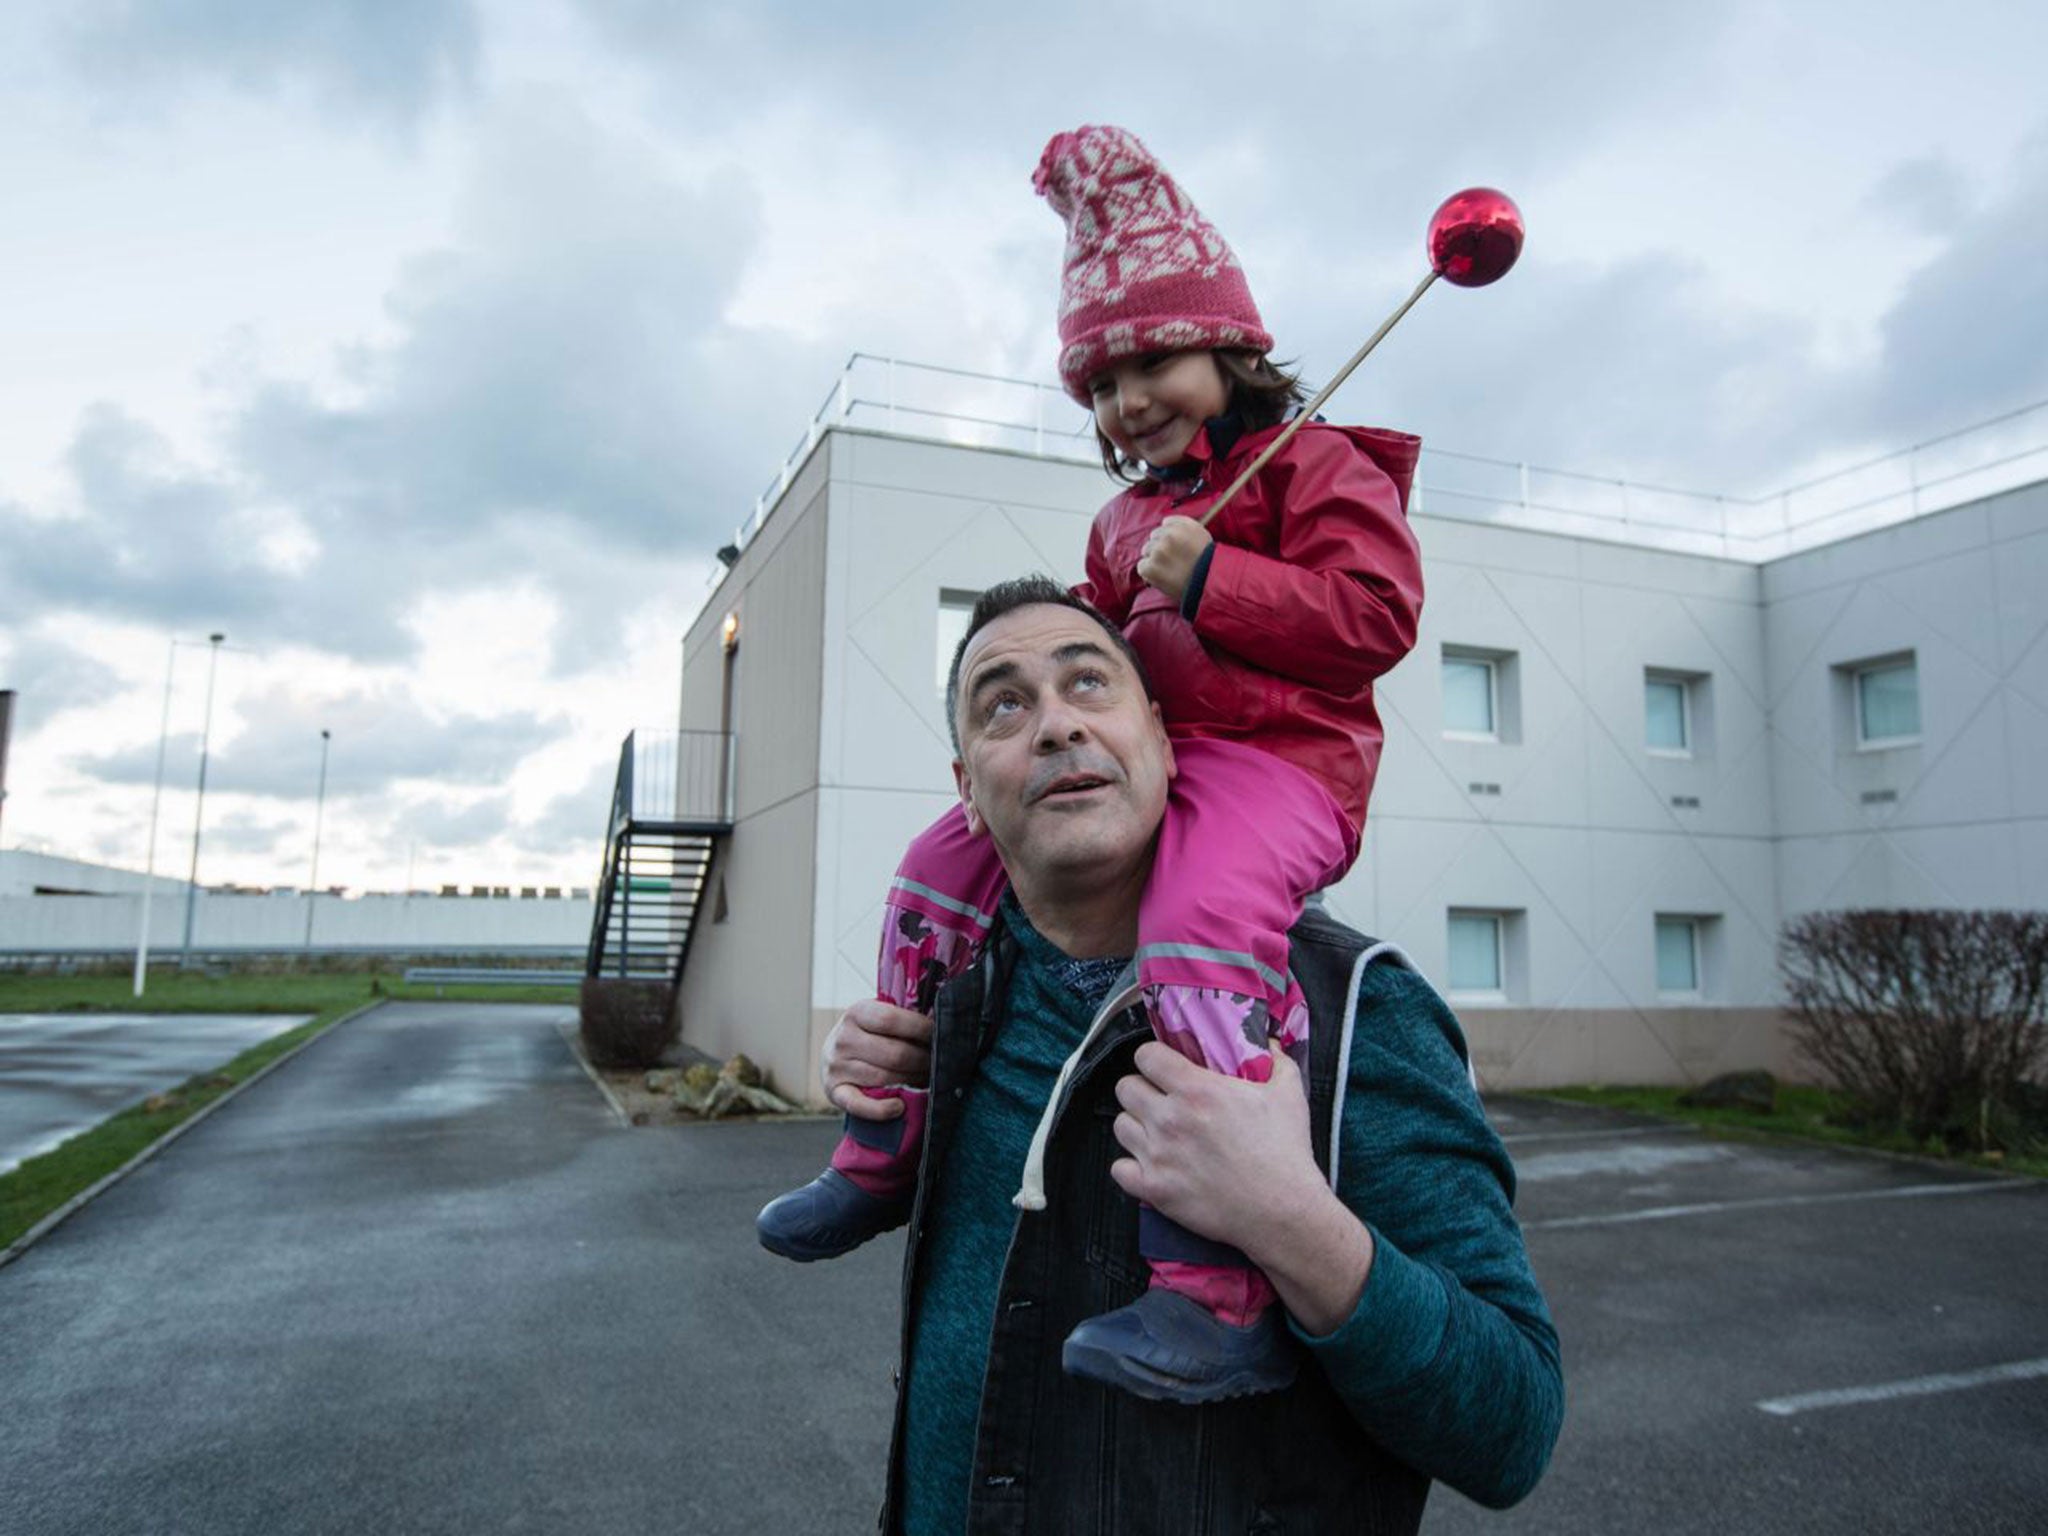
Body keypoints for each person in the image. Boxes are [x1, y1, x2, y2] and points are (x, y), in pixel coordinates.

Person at [759, 123, 1428, 1404]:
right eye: (1101, 385)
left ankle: (1210, 1282)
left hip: (1281, 765)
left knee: (1201, 914)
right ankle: (880, 1145)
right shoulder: (1124, 515)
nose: (1128, 402)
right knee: (935, 863)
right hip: (1171, 755)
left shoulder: (1318, 465)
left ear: (1230, 346)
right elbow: (1106, 650)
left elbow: (1374, 625)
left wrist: (1216, 576)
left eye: (1151, 360)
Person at [825, 578, 1562, 1533]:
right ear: (967, 791)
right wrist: (882, 1103)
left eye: (1089, 684)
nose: (1053, 725)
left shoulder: (1355, 1011)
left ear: (1168, 744)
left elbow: (1514, 1428)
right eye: (1002, 704)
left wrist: (1288, 1220)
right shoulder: (960, 1009)